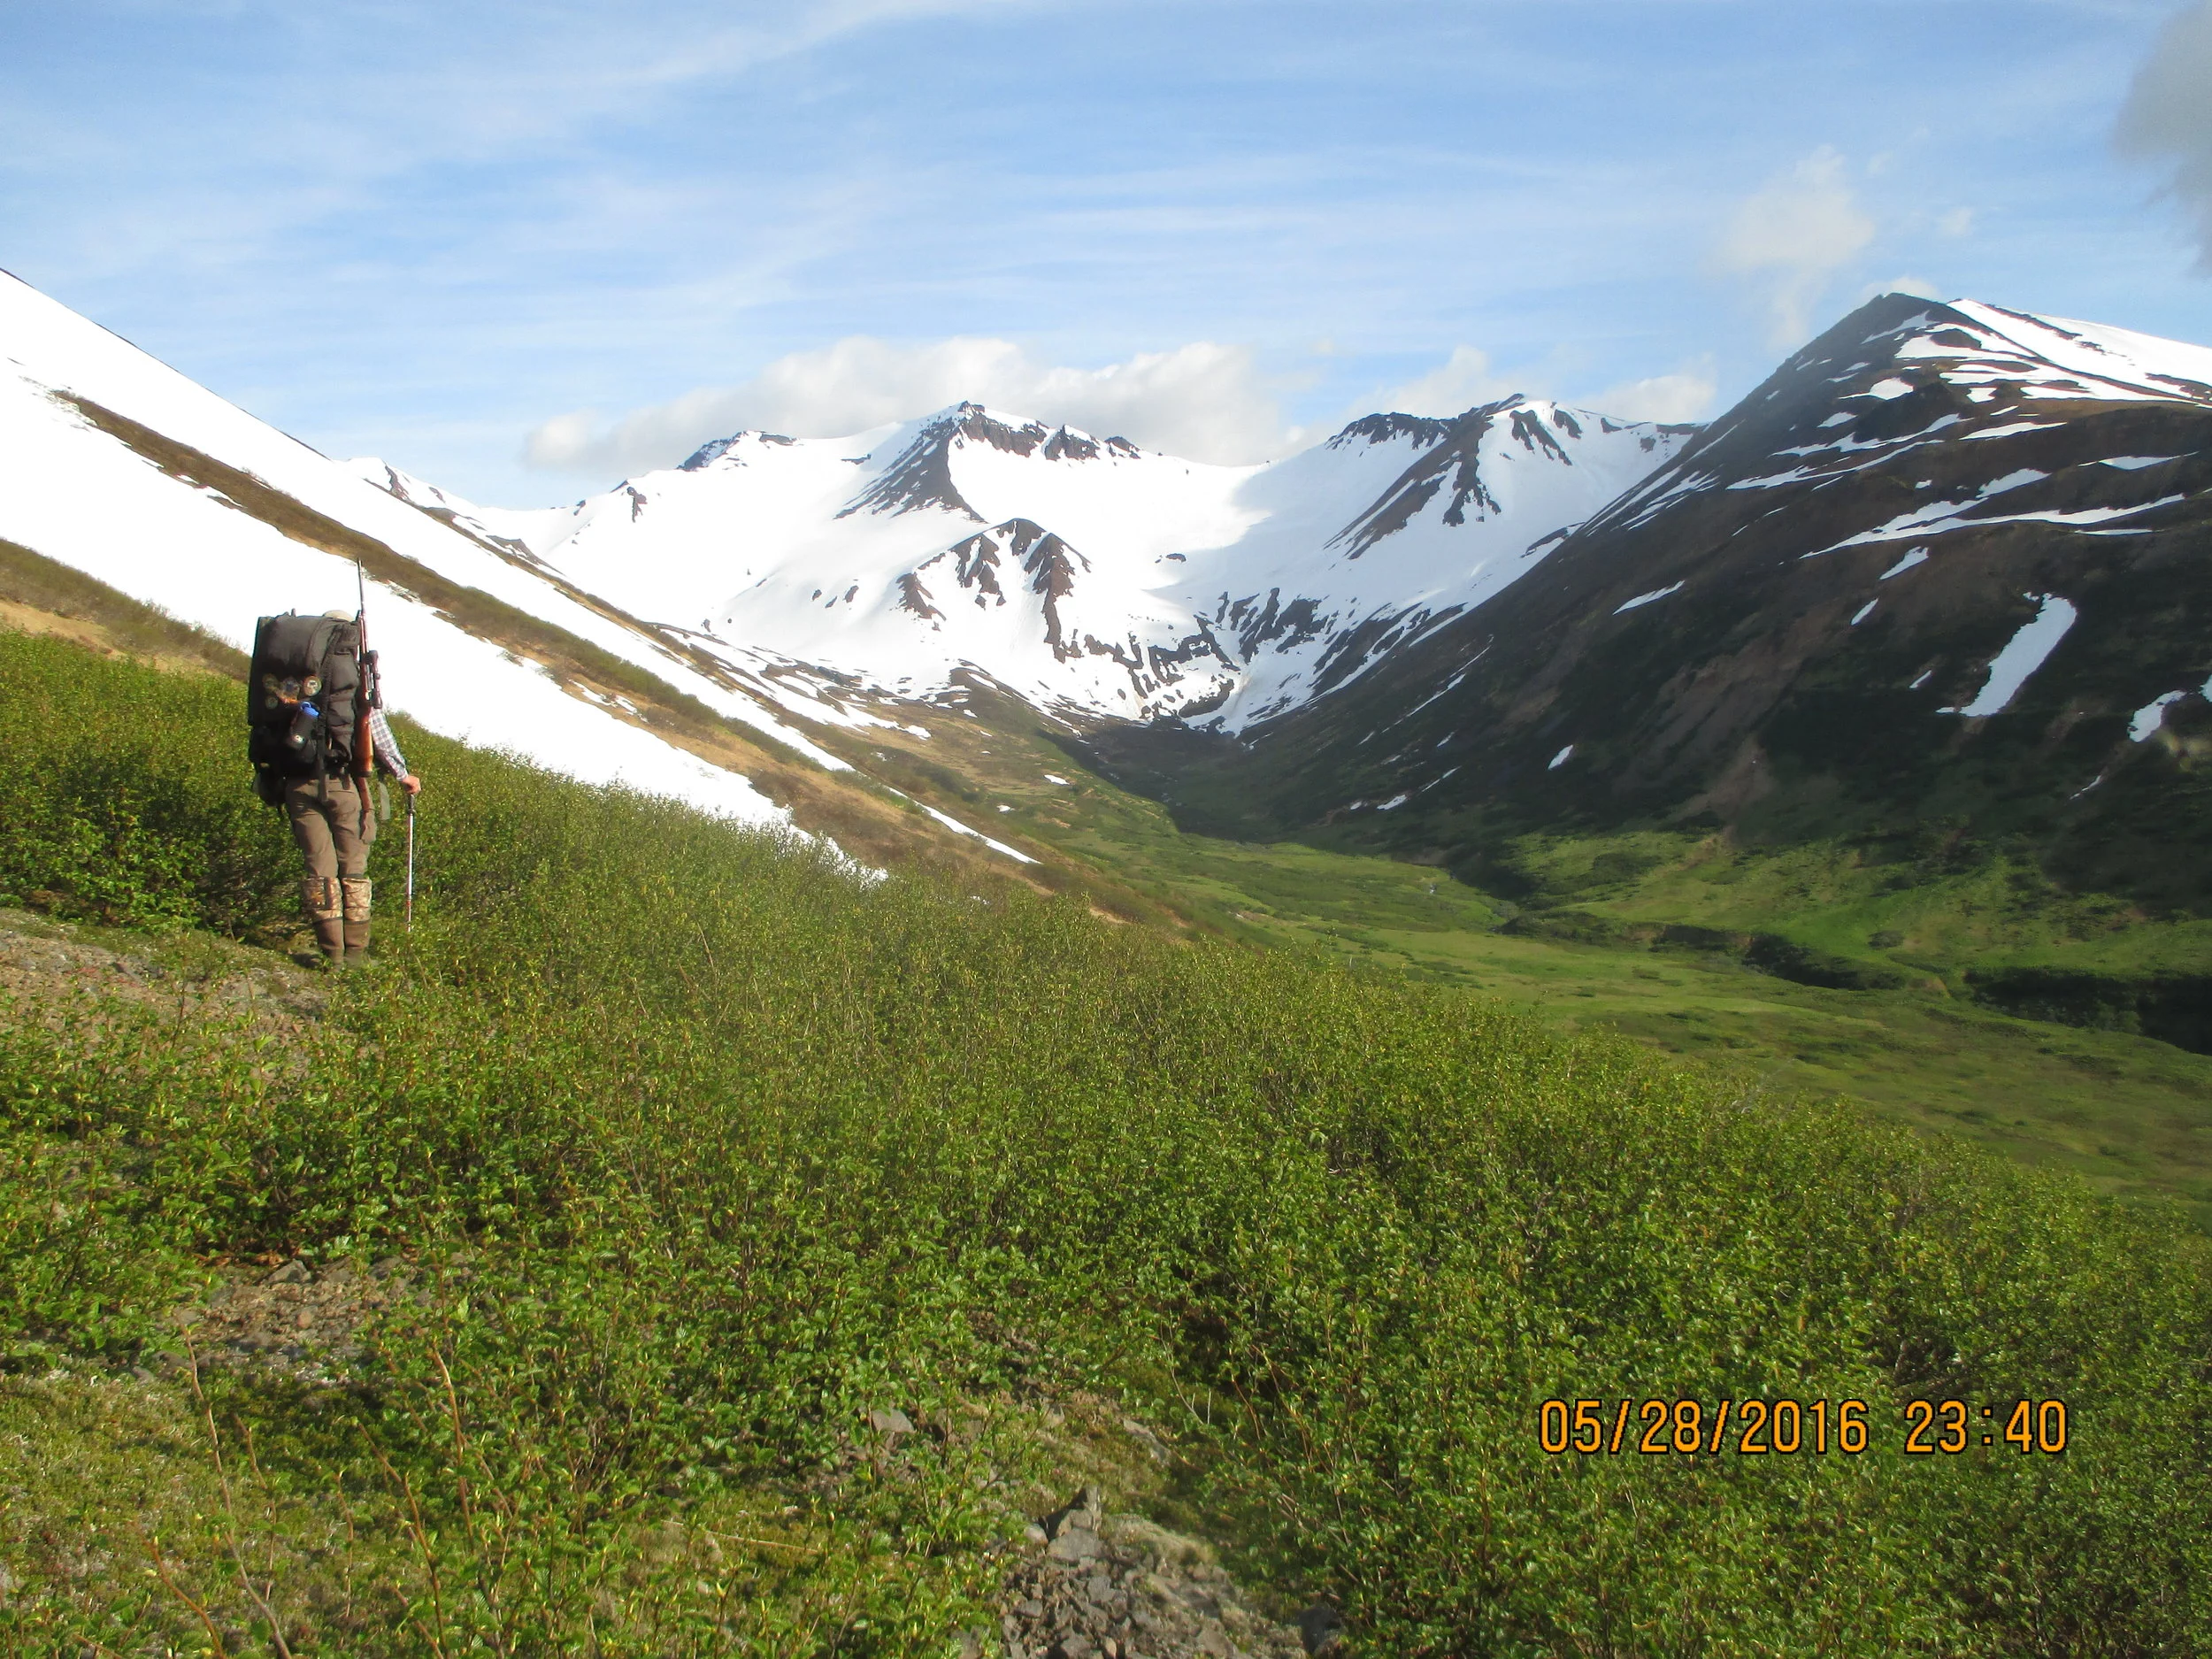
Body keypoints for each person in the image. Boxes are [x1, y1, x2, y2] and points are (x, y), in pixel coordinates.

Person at [258, 609, 422, 967]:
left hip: (296, 784)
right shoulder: (351, 683)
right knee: (353, 869)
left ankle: (331, 955)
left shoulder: (293, 681)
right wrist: (402, 775)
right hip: (344, 784)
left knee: (319, 870)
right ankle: (356, 956)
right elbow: (377, 733)